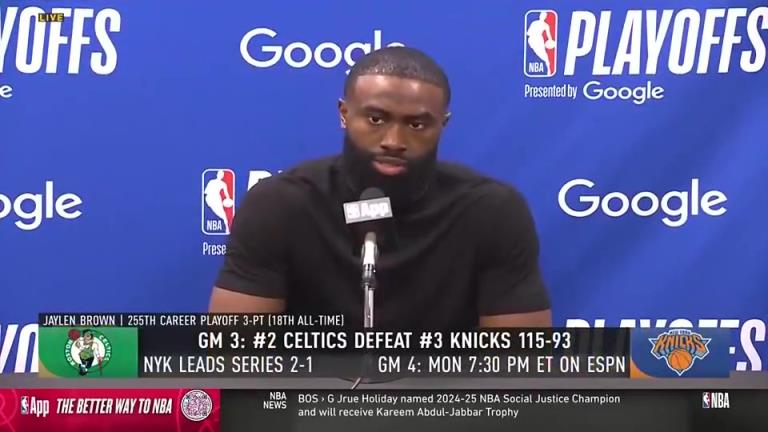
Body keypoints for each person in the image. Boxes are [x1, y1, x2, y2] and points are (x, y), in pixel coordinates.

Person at [209, 46, 551, 330]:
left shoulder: (492, 212)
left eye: (416, 124)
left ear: (442, 125)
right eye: (376, 119)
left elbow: (519, 367)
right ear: (344, 114)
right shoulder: (281, 204)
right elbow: (235, 356)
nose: (394, 140)